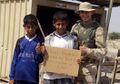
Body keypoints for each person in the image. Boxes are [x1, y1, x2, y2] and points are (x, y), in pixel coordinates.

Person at [71, 2, 105, 84]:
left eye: (87, 12)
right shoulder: (75, 27)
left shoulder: (97, 29)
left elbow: (103, 51)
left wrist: (87, 51)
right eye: (82, 12)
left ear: (91, 13)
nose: (84, 14)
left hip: (88, 69)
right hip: (74, 66)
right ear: (79, 14)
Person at [43, 11, 79, 84]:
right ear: (54, 24)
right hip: (50, 77)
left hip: (66, 77)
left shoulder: (73, 39)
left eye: (63, 24)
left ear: (67, 24)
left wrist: (77, 61)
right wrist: (41, 52)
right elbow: (44, 57)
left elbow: (76, 56)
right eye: (58, 24)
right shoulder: (48, 39)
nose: (60, 27)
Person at [9, 14, 45, 84]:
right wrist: (11, 77)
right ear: (24, 27)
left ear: (36, 27)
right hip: (18, 76)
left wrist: (39, 52)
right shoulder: (20, 41)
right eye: (28, 27)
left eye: (33, 27)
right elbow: (14, 59)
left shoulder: (40, 41)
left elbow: (40, 60)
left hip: (32, 78)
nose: (30, 29)